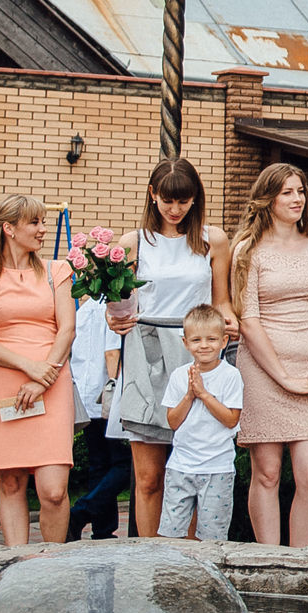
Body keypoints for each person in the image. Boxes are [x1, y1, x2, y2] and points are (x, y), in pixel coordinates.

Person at [109, 160, 232, 538]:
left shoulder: (214, 240)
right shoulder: (132, 243)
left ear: (196, 199)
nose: (175, 209)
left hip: (197, 351)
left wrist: (231, 321)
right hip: (146, 352)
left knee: (195, 468)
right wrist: (114, 319)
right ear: (152, 195)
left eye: (183, 201)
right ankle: (150, 556)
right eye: (167, 201)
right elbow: (119, 304)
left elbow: (221, 300)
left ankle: (190, 560)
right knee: (148, 477)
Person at [231, 163, 308, 548]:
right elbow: (248, 320)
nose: (297, 200)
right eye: (287, 193)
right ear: (268, 199)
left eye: (301, 191)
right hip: (264, 373)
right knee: (267, 473)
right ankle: (268, 560)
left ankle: (300, 562)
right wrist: (282, 378)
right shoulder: (247, 250)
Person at [0, 195, 76, 546]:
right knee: (10, 482)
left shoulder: (57, 271)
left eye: (43, 222)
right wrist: (29, 368)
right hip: (5, 383)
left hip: (52, 380)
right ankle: (18, 564)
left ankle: (53, 565)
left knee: (54, 489)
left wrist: (45, 376)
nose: (43, 230)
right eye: (35, 223)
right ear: (9, 229)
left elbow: (67, 329)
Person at [159, 305, 244, 541]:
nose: (204, 345)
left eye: (211, 339)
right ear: (186, 343)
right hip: (181, 465)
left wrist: (204, 394)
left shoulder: (230, 376)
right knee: (171, 532)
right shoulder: (179, 375)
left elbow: (231, 419)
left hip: (217, 467)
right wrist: (189, 395)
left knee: (212, 536)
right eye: (196, 340)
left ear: (224, 341)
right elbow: (173, 421)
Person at [65, 292, 128, 539]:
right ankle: (82, 511)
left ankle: (102, 528)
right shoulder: (113, 306)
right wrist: (114, 385)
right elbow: (112, 351)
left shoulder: (82, 312)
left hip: (85, 394)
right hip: (106, 395)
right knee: (124, 463)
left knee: (99, 464)